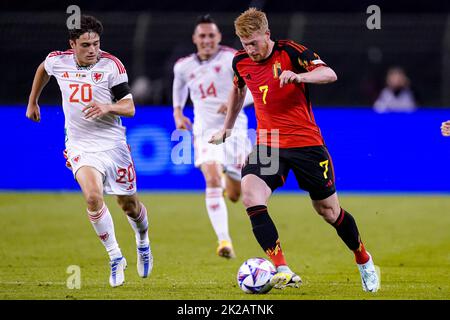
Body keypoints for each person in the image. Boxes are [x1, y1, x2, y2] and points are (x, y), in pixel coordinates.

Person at [209, 8, 380, 292]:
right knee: (251, 195)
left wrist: (301, 77)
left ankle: (363, 258)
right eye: (244, 43)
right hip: (269, 143)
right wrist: (227, 128)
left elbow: (329, 74)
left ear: (267, 34)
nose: (249, 49)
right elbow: (238, 89)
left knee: (328, 211)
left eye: (253, 42)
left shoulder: (291, 52)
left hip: (307, 144)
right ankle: (282, 268)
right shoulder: (239, 61)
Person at [25, 15, 153, 287]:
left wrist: (108, 106)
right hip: (80, 145)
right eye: (85, 44)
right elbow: (43, 70)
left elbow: (129, 108)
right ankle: (115, 256)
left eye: (96, 43)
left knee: (128, 206)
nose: (92, 49)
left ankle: (142, 242)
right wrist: (32, 101)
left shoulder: (111, 66)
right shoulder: (58, 60)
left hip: (113, 144)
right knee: (93, 197)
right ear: (72, 44)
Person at [172, 15, 252, 259]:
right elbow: (179, 87)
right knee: (212, 177)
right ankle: (224, 241)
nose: (207, 40)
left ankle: (230, 175)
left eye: (211, 36)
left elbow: (252, 92)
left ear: (218, 37)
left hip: (235, 131)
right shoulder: (183, 66)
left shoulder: (232, 59)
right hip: (205, 132)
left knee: (237, 195)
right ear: (195, 39)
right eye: (202, 36)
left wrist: (232, 104)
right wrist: (177, 112)